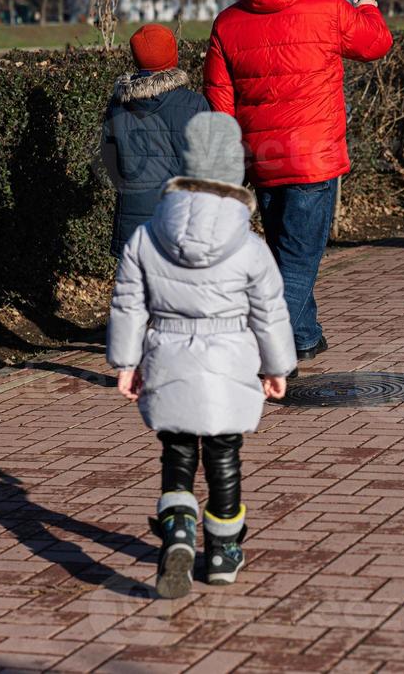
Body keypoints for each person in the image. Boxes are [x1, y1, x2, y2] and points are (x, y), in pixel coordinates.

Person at [107, 113, 296, 599]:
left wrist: (126, 364)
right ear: (234, 171)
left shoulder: (147, 236)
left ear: (184, 168)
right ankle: (222, 552)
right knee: (223, 456)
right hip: (230, 359)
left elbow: (129, 303)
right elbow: (269, 310)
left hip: (167, 355)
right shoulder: (250, 246)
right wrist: (277, 367)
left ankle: (177, 532)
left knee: (177, 453)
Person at [204, 0, 392, 363]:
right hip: (313, 157)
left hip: (262, 158)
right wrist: (368, 11)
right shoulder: (328, 9)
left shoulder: (228, 22)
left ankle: (304, 336)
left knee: (286, 253)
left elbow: (219, 99)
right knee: (299, 260)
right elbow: (375, 44)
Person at [99, 24, 208, 257]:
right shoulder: (194, 104)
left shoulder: (118, 106)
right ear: (173, 56)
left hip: (133, 215)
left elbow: (109, 159)